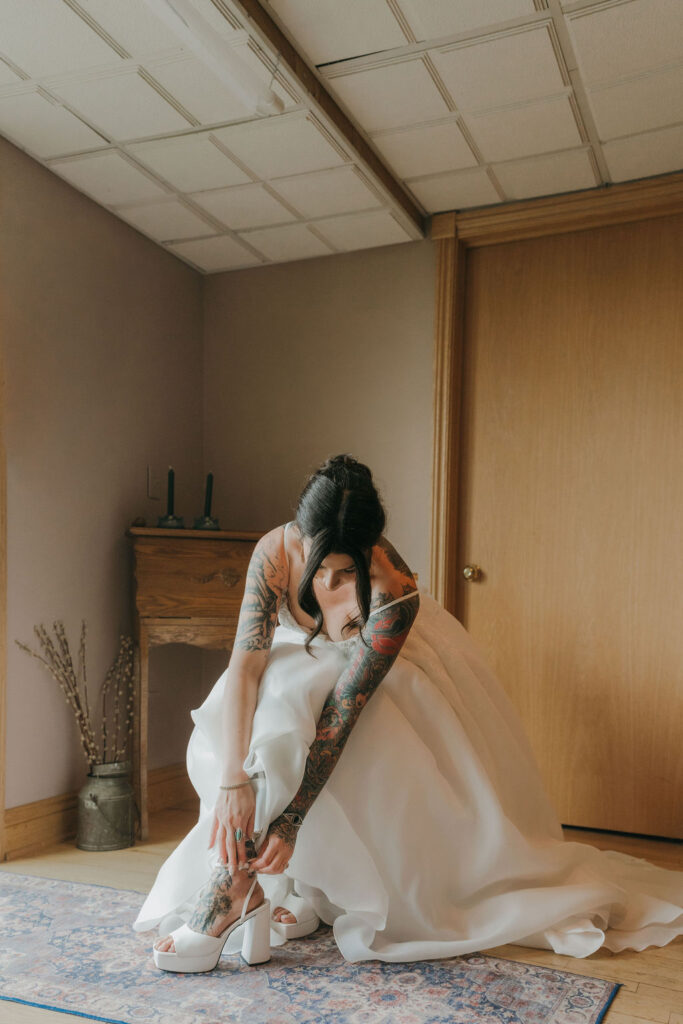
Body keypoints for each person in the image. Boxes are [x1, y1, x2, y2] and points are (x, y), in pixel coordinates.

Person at [135, 454, 683, 972]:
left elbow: (343, 712)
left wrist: (293, 818)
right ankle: (266, 885)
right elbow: (247, 665)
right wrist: (233, 779)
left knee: (294, 698)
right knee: (263, 690)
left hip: (373, 687)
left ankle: (234, 888)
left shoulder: (393, 594)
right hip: (292, 672)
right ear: (299, 534)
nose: (326, 584)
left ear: (368, 553)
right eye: (317, 563)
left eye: (344, 571)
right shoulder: (276, 551)